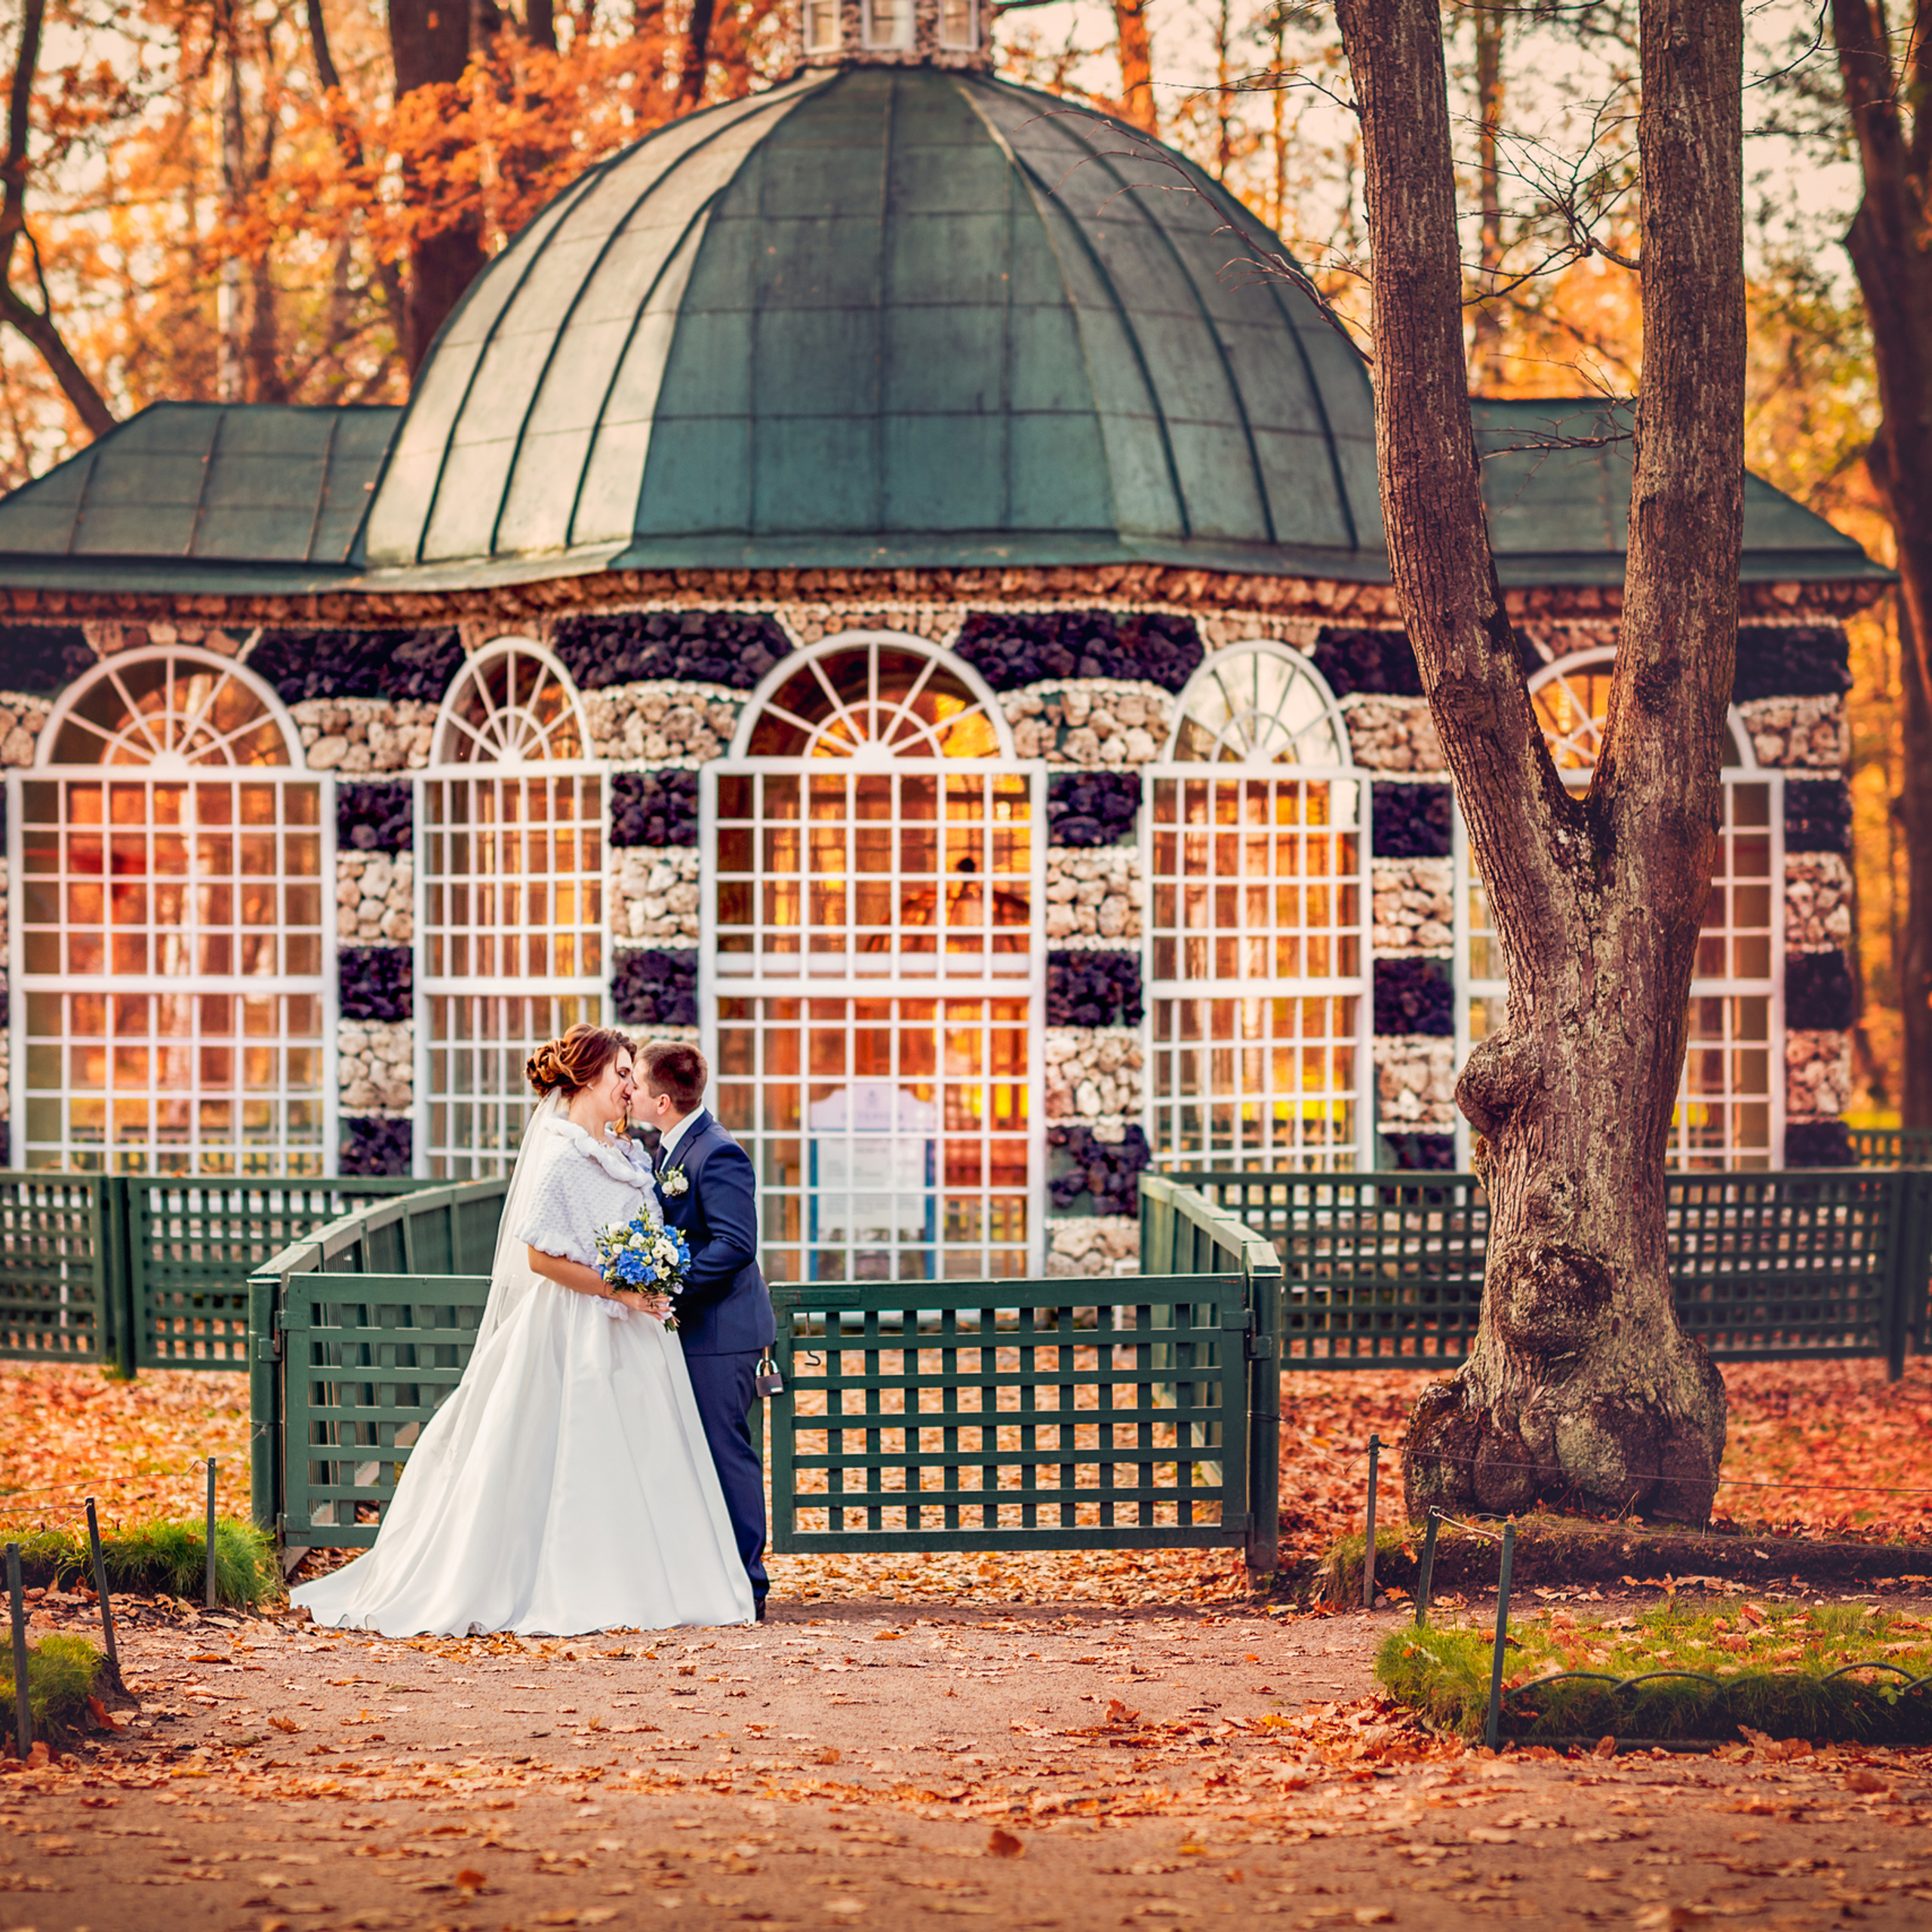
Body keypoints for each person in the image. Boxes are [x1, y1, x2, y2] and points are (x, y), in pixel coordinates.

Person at [291, 1026, 754, 1637]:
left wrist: (649, 1278)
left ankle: (649, 1581)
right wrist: (619, 1289)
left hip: (638, 1334)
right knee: (562, 1451)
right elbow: (540, 1258)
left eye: (631, 1075)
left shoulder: (628, 1154)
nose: (629, 1085)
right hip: (574, 1326)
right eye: (621, 1073)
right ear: (587, 1078)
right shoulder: (561, 1157)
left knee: (646, 1457)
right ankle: (565, 1583)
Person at [632, 1041, 777, 1621]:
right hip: (696, 1330)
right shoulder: (670, 1147)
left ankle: (750, 1588)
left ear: (663, 1101)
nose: (629, 1091)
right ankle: (715, 1581)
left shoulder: (717, 1153)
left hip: (723, 1333)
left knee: (726, 1454)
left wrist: (668, 1285)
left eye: (637, 1083)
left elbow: (736, 1245)